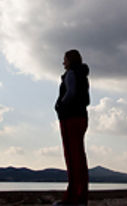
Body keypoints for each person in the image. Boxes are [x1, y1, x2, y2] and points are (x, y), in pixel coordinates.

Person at [54, 49, 90, 206]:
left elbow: (71, 93)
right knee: (79, 157)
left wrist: (60, 106)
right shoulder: (83, 75)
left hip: (70, 118)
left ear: (70, 60)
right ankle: (80, 197)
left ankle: (73, 198)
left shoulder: (71, 74)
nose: (63, 63)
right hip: (81, 117)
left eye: (65, 59)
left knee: (72, 157)